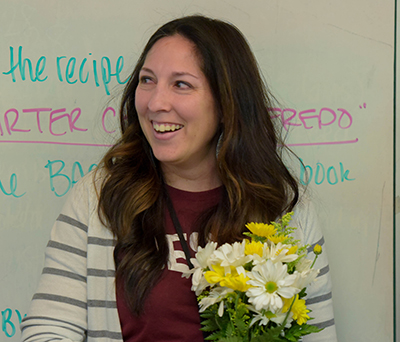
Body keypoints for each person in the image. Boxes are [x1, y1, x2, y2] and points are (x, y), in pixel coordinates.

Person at [20, 15, 337, 342]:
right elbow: (48, 331)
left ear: (227, 102)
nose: (156, 103)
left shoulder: (284, 207)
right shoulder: (99, 197)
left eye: (181, 84)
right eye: (147, 80)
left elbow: (316, 335)